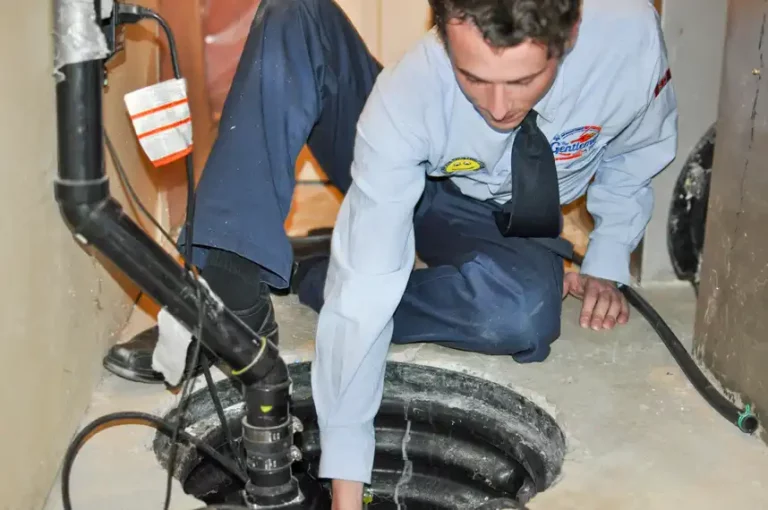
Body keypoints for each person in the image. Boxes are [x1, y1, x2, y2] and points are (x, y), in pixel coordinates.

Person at [102, 0, 677, 506]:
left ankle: (307, 271)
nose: (500, 108)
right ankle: (226, 291)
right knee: (294, 12)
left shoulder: (628, 37)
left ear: (569, 33)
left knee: (522, 313)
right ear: (445, 30)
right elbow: (364, 297)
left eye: (524, 80)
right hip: (409, 163)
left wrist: (608, 254)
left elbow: (637, 150)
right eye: (473, 77)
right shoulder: (411, 94)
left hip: (496, 216)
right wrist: (348, 482)